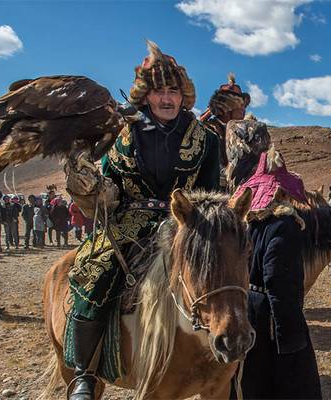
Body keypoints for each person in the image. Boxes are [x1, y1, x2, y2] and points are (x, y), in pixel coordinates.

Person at [63, 41, 222, 400]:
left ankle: (233, 360)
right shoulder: (120, 134)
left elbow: (214, 192)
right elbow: (107, 185)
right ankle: (84, 373)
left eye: (174, 91)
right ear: (145, 95)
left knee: (231, 278)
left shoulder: (207, 140)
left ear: (184, 96)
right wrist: (89, 186)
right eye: (158, 91)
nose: (167, 98)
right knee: (95, 273)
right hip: (129, 222)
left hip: (187, 224)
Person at [232, 149, 321, 399]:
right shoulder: (284, 226)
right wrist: (288, 335)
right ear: (282, 191)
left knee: (250, 381)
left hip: (245, 308)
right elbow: (279, 282)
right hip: (271, 315)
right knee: (287, 383)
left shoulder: (247, 224)